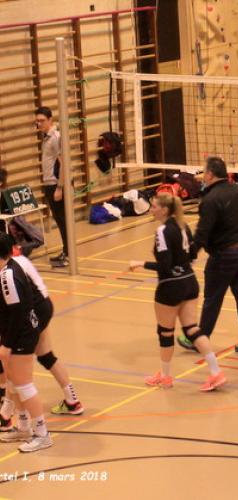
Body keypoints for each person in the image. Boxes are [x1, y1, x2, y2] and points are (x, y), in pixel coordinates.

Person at [129, 193, 226, 391]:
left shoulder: (162, 231)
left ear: (164, 210)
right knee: (192, 329)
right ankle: (216, 372)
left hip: (170, 287)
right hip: (190, 282)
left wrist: (141, 263)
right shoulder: (183, 226)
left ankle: (165, 377)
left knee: (165, 332)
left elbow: (165, 266)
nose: (151, 210)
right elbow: (192, 255)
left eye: (154, 207)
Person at [177, 156, 238, 355]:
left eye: (204, 172)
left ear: (210, 174)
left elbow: (202, 233)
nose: (202, 176)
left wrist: (188, 256)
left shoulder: (210, 200)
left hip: (225, 255)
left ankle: (199, 340)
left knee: (212, 299)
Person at [0, 253, 84, 432]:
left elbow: (15, 309)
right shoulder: (17, 260)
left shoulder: (7, 271)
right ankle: (72, 400)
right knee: (45, 356)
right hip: (43, 305)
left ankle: (8, 413)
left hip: (31, 311)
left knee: (15, 365)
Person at [0, 233, 52, 452]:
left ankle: (42, 434)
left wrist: (7, 345)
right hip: (20, 332)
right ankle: (23, 427)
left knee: (24, 385)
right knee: (14, 382)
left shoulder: (7, 275)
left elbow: (17, 313)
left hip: (22, 335)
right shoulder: (9, 267)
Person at [35, 106, 68, 267]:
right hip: (50, 184)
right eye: (37, 121)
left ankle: (68, 255)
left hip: (56, 185)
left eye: (42, 120)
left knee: (63, 221)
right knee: (60, 220)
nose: (39, 123)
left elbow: (64, 164)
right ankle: (66, 252)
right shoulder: (46, 137)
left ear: (50, 120)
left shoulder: (56, 137)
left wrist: (60, 187)